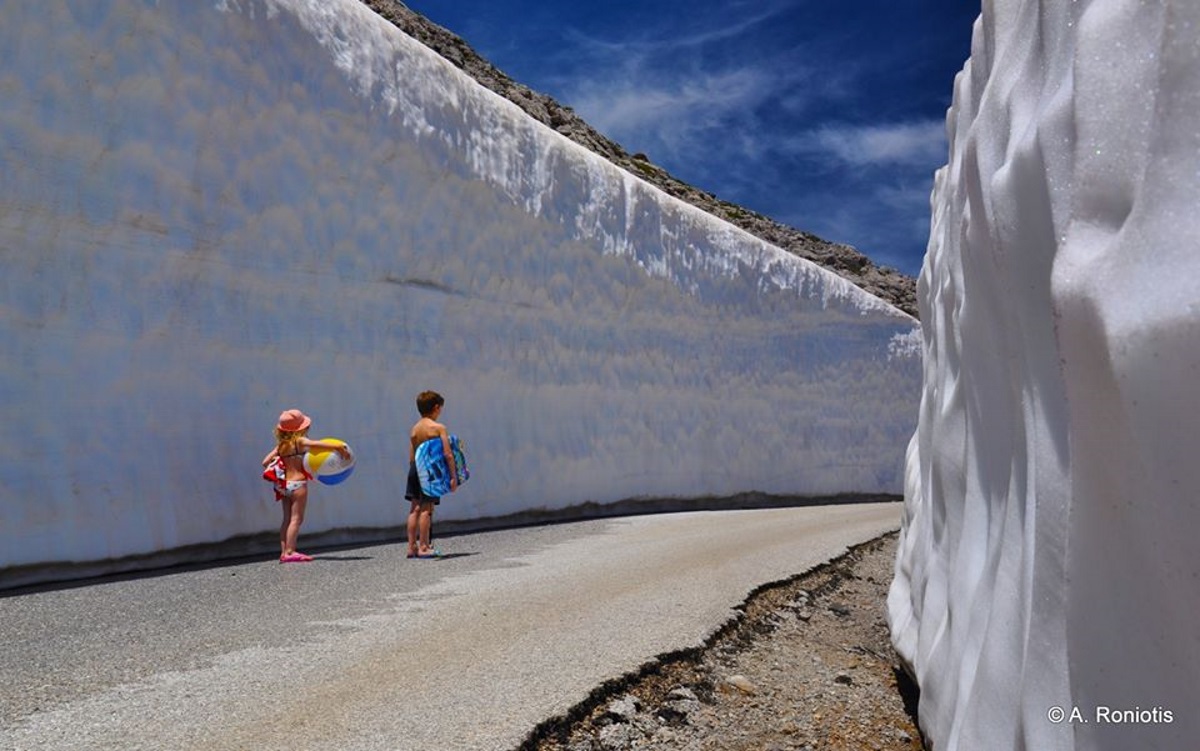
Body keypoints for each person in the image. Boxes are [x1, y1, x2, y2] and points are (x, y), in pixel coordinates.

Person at [261, 408, 351, 564]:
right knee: (297, 519)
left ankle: (283, 552)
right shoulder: (299, 442)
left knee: (287, 519)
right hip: (298, 484)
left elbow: (265, 462)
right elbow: (317, 444)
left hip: (284, 485)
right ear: (301, 428)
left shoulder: (281, 446)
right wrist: (338, 448)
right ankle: (291, 551)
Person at [405, 391, 457, 559]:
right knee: (427, 509)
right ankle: (424, 547)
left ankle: (411, 547)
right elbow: (448, 454)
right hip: (429, 470)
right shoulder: (438, 428)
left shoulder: (414, 429)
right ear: (436, 408)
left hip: (414, 468)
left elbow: (412, 455)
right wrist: (453, 476)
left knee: (414, 508)